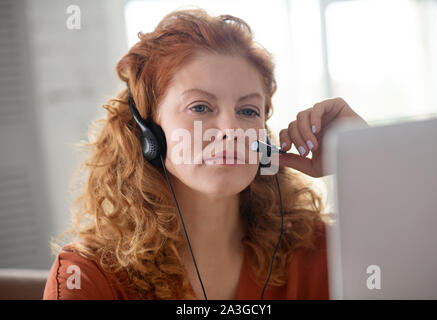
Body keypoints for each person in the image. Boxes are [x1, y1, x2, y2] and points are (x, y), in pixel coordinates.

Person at [43, 8, 368, 300]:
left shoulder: (317, 250)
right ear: (149, 134)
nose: (231, 129)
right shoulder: (89, 276)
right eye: (200, 106)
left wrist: (367, 157)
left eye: (247, 110)